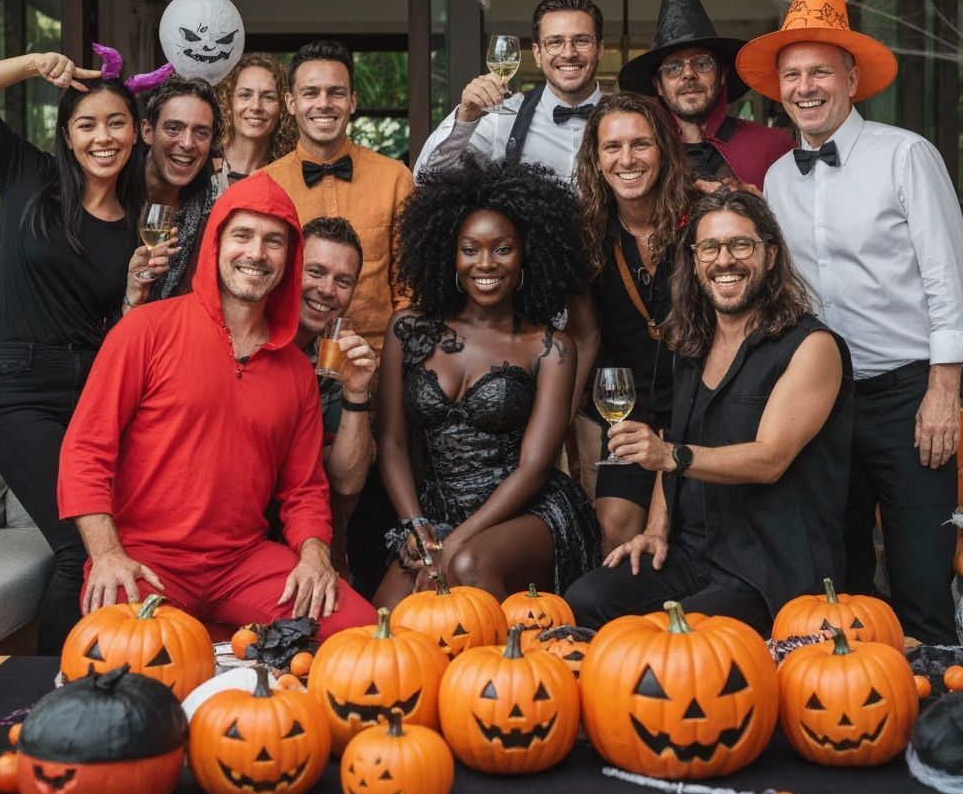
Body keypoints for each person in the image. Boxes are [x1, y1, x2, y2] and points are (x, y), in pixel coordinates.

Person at [737, 0, 963, 644]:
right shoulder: (779, 177)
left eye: (820, 72)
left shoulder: (905, 156)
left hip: (907, 394)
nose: (806, 87)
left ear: (851, 79)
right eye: (793, 75)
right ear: (778, 89)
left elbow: (950, 277)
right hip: (820, 401)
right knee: (834, 574)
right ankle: (849, 703)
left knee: (919, 574)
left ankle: (945, 722)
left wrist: (944, 390)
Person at [57, 172, 377, 635]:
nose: (256, 253)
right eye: (242, 235)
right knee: (126, 660)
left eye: (274, 241)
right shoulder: (145, 329)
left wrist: (314, 555)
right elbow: (85, 451)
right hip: (146, 558)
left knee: (360, 633)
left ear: (289, 259)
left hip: (242, 563)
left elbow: (304, 489)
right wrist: (106, 555)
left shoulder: (296, 372)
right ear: (215, 242)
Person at [566, 188, 852, 634]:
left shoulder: (812, 346)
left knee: (679, 641)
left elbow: (770, 458)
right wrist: (657, 528)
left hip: (768, 568)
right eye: (710, 248)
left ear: (770, 255)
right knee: (585, 601)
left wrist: (671, 456)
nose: (725, 260)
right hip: (692, 552)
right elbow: (670, 436)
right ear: (695, 260)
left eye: (741, 245)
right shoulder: (692, 344)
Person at [374, 156, 599, 605]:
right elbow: (393, 443)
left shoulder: (550, 347)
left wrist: (455, 543)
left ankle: (501, 674)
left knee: (466, 566)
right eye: (470, 248)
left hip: (527, 512)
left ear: (526, 254)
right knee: (383, 618)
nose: (486, 263)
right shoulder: (408, 328)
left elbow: (535, 467)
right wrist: (418, 528)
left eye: (503, 248)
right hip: (435, 514)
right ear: (449, 253)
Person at [0, 51, 144, 653]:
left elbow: (118, 332)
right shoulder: (29, 174)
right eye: (87, 125)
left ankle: (106, 677)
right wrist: (32, 65)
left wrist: (132, 293)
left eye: (116, 123)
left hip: (90, 392)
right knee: (83, 546)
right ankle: (46, 696)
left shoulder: (135, 225)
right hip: (18, 392)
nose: (103, 137)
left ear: (135, 131)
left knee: (127, 535)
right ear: (68, 135)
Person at [572, 92, 698, 551]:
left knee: (694, 529)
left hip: (701, 397)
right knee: (614, 527)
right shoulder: (585, 231)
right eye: (612, 147)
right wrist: (556, 427)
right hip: (625, 406)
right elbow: (584, 337)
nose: (627, 159)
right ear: (596, 158)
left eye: (640, 144)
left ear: (663, 151)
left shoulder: (701, 220)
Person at [263, 39, 413, 360]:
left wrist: (395, 370)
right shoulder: (264, 186)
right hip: (284, 364)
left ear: (353, 102)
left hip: (374, 366)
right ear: (291, 102)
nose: (324, 103)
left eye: (337, 92)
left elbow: (407, 293)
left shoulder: (396, 179)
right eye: (310, 92)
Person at [618, 0, 793, 191]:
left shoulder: (772, 148)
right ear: (658, 84)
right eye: (673, 67)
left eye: (702, 63)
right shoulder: (638, 156)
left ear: (722, 75)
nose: (688, 74)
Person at [414, 0, 605, 180]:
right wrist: (465, 118)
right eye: (555, 42)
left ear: (600, 50)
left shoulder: (625, 117)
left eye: (581, 41)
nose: (568, 53)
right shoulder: (503, 118)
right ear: (538, 54)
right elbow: (426, 177)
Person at [294, 216, 377, 575]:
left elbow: (345, 480)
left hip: (303, 533)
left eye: (343, 281)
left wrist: (356, 392)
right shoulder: (248, 337)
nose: (328, 290)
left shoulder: (329, 359)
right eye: (315, 272)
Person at [122, 75, 221, 306]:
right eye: (174, 128)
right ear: (147, 132)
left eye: (201, 132)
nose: (187, 143)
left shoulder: (211, 207)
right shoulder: (113, 192)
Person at [211, 52, 297, 198]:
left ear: (283, 107)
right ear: (228, 102)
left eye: (268, 97)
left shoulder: (289, 175)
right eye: (245, 95)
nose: (256, 107)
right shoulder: (203, 167)